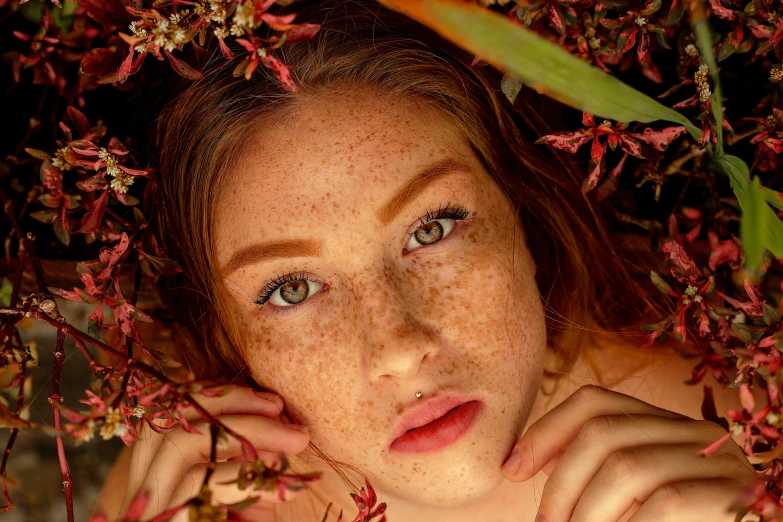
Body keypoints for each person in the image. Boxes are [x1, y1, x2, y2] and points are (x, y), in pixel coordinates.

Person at [93, 0, 758, 520]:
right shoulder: (199, 494)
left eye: (432, 229)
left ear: (522, 212)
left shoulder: (738, 427)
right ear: (225, 339)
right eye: (291, 288)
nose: (398, 349)